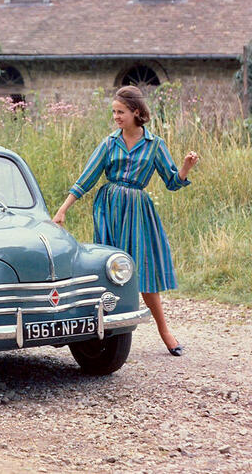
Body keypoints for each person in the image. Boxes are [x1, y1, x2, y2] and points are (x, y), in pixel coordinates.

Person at [52, 85, 198, 357]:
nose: (116, 117)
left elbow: (171, 181)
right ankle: (104, 336)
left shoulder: (155, 145)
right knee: (108, 270)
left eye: (120, 112)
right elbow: (87, 178)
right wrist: (62, 210)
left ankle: (164, 331)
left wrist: (186, 168)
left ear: (136, 112)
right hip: (109, 209)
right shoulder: (109, 142)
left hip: (138, 211)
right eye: (114, 112)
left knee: (142, 268)